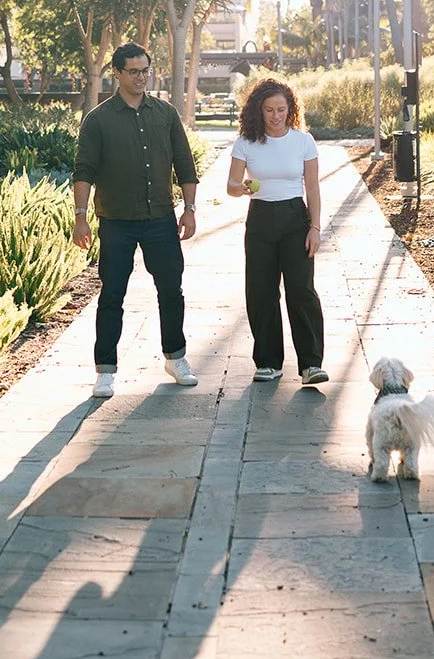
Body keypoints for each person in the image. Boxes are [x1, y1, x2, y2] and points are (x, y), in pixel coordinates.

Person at [72, 42, 200, 400]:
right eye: (134, 71)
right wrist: (80, 218)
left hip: (161, 218)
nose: (142, 77)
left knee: (171, 292)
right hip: (116, 222)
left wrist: (189, 209)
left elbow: (185, 165)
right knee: (112, 294)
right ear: (117, 73)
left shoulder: (166, 113)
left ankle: (176, 358)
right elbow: (84, 171)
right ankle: (105, 371)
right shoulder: (98, 119)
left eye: (146, 70)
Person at [226, 74, 327, 386]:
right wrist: (241, 188)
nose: (275, 116)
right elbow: (230, 185)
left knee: (301, 290)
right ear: (259, 110)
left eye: (281, 109)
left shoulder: (303, 141)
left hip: (296, 219)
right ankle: (268, 362)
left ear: (290, 108)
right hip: (260, 219)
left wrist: (315, 227)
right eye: (269, 109)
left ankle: (311, 364)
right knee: (261, 291)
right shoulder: (246, 142)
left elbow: (312, 187)